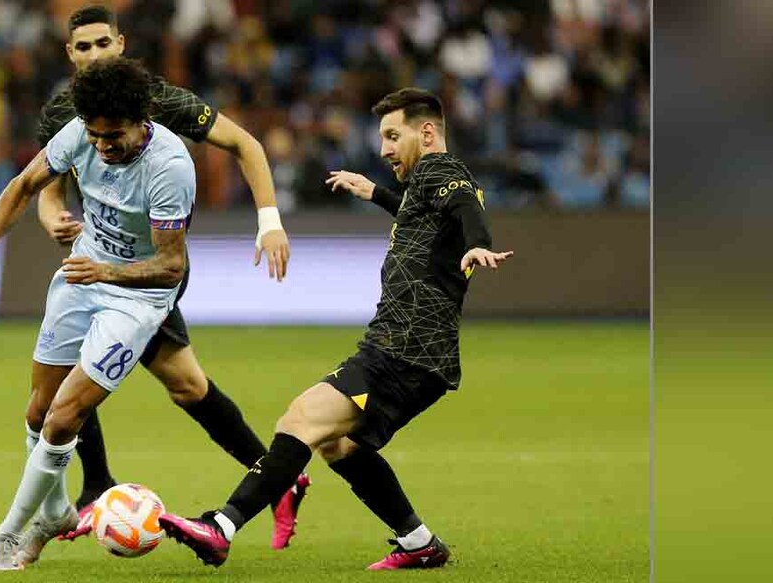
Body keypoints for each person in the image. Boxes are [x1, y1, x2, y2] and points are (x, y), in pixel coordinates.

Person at [158, 88, 514, 570]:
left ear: (427, 132)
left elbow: (465, 206)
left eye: (393, 136)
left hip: (403, 348)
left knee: (301, 420)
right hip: (414, 351)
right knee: (338, 445)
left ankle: (220, 526)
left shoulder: (440, 170)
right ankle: (418, 542)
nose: (385, 149)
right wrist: (376, 193)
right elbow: (424, 216)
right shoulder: (424, 184)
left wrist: (480, 244)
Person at [32, 4, 308, 549]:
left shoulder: (157, 100)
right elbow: (47, 185)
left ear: (121, 43)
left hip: (147, 269)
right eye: (82, 47)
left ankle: (98, 488)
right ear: (70, 53)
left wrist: (269, 221)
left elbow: (245, 145)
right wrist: (51, 217)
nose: (93, 55)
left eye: (102, 44)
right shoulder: (63, 110)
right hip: (97, 259)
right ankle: (277, 477)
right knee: (187, 387)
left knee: (82, 380)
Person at [0, 57, 191, 571]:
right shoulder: (79, 133)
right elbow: (22, 185)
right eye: (96, 136)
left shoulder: (169, 167)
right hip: (82, 278)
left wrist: (106, 274)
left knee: (63, 417)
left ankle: (12, 531)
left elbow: (171, 267)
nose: (102, 146)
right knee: (37, 411)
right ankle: (58, 511)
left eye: (114, 137)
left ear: (141, 119)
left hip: (135, 299)